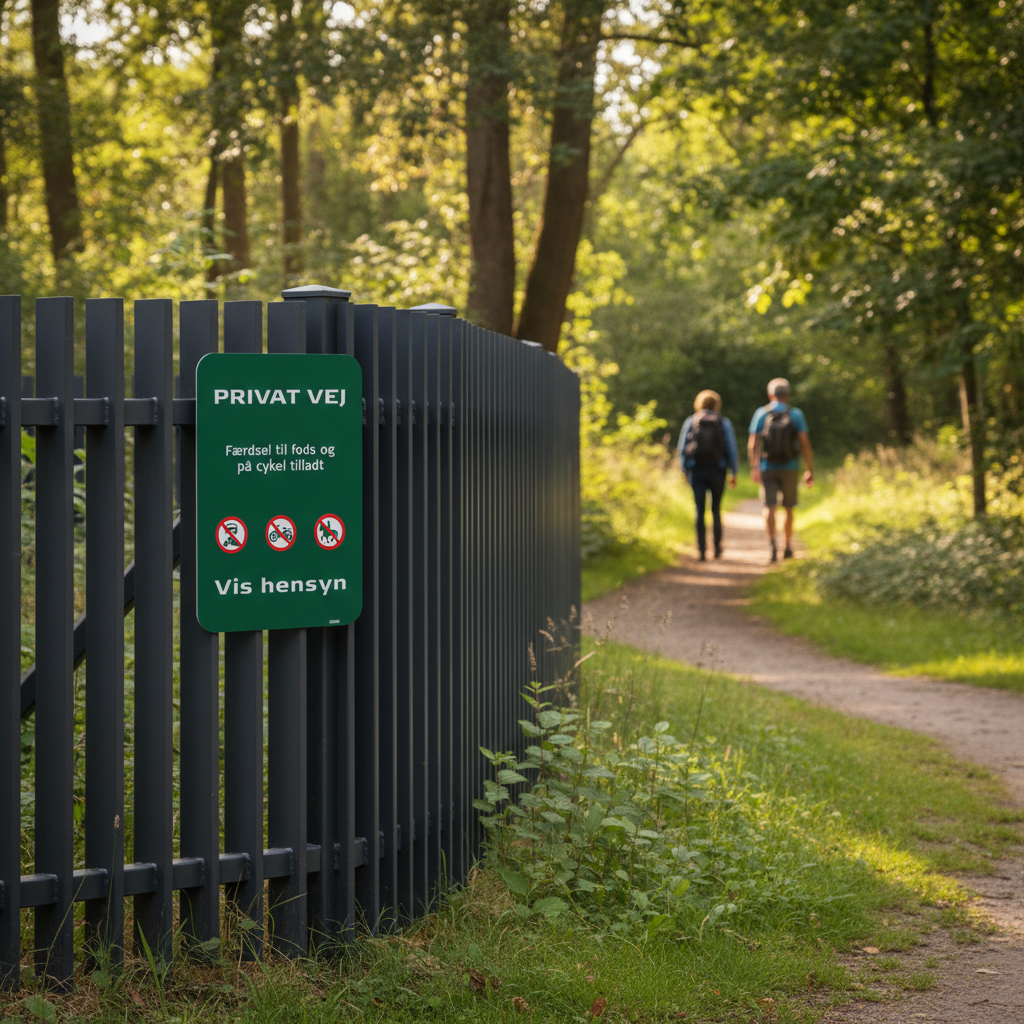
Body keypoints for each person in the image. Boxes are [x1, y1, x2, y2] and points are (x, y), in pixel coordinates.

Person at [747, 378, 814, 563]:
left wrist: (754, 467)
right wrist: (809, 469)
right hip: (790, 467)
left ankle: (772, 545)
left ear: (771, 395)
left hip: (767, 467)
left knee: (769, 506)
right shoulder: (796, 414)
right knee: (788, 507)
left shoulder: (761, 413)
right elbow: (804, 443)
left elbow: (753, 443)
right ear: (788, 395)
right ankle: (787, 546)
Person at [677, 390, 738, 561]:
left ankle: (701, 550)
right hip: (718, 469)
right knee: (716, 509)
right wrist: (733, 471)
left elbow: (682, 447)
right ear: (716, 404)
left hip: (696, 469)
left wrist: (683, 469)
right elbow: (731, 447)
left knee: (699, 510)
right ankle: (717, 548)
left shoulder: (691, 420)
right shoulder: (723, 422)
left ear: (699, 404)